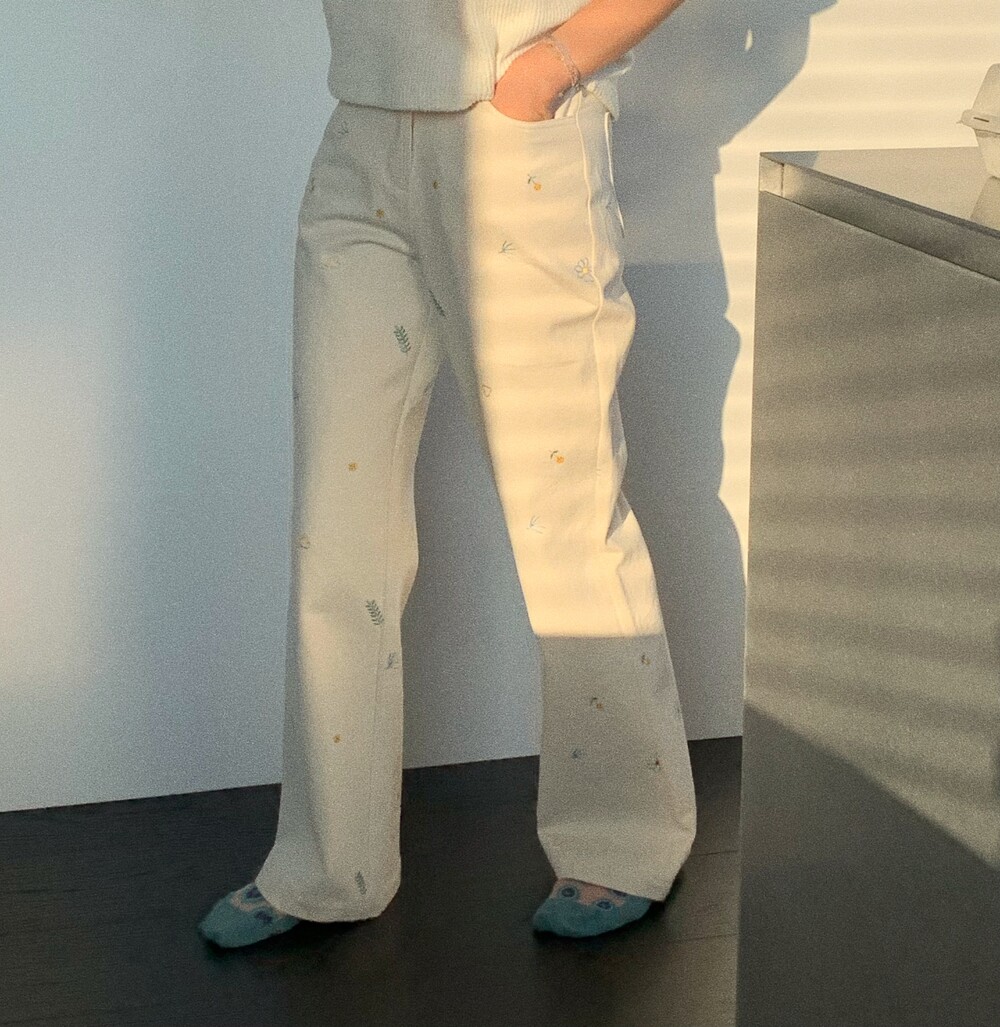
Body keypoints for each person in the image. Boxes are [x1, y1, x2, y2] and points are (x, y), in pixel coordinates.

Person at [199, 0, 692, 949]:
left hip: (515, 132)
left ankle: (623, 838)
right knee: (335, 527)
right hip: (362, 122)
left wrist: (550, 68)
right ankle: (328, 859)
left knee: (563, 513)